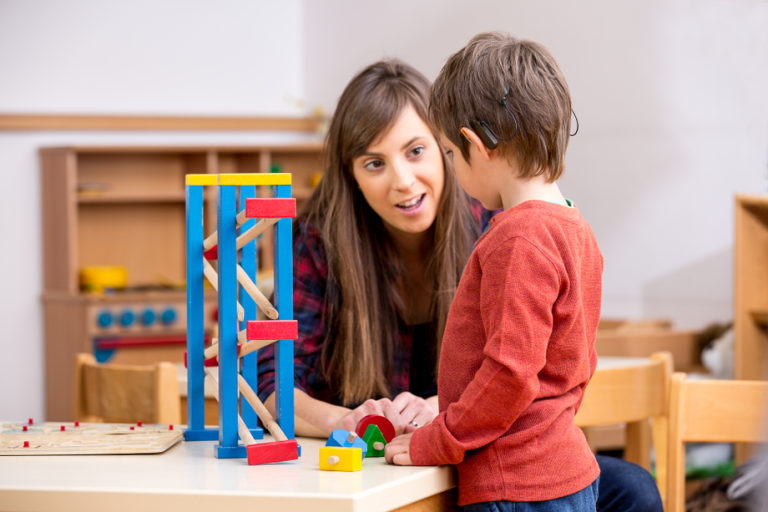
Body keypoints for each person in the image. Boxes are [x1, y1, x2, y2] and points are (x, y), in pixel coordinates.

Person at [257, 58, 663, 512]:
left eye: (416, 151)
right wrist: (348, 420)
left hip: (472, 449)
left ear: (449, 147)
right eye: (374, 163)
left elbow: (523, 371)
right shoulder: (317, 243)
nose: (402, 181)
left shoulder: (500, 228)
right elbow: (271, 381)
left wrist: (444, 415)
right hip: (376, 463)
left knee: (633, 489)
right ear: (350, 176)